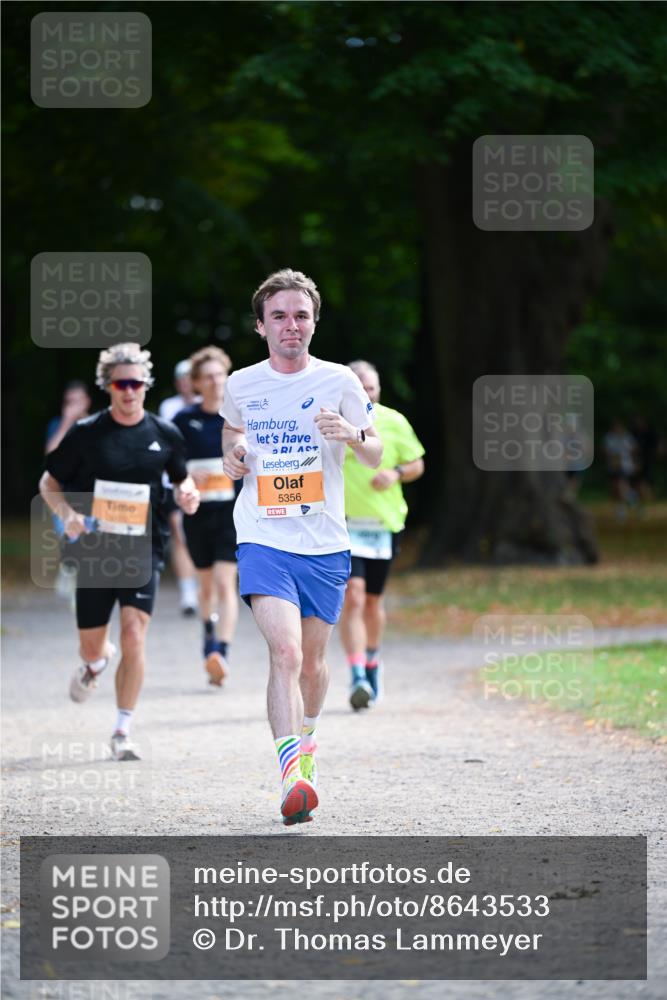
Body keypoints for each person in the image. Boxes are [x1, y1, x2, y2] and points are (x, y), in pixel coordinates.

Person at [221, 269, 382, 825]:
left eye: (301, 315)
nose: (292, 325)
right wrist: (234, 453)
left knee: (313, 664)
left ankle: (307, 746)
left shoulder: (341, 380)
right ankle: (290, 774)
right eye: (280, 316)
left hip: (324, 541)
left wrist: (352, 433)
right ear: (261, 326)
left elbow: (377, 453)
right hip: (263, 534)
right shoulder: (241, 383)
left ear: (314, 322)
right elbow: (231, 432)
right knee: (285, 652)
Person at [39, 343, 199, 761]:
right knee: (93, 647)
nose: (129, 391)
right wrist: (68, 515)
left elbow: (181, 480)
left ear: (146, 385)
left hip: (143, 547)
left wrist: (187, 493)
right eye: (120, 383)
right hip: (94, 550)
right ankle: (95, 663)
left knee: (133, 633)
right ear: (108, 386)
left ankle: (123, 727)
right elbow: (49, 484)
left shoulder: (166, 434)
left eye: (135, 383)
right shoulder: (87, 433)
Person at [340, 361, 425, 709]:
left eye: (371, 388)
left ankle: (373, 662)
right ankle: (357, 673)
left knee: (373, 601)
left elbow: (418, 464)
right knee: (354, 596)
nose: (366, 394)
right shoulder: (332, 422)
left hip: (385, 525)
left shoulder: (394, 421)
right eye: (360, 388)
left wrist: (395, 472)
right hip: (344, 525)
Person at [173, 346, 239, 686]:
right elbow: (171, 470)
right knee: (206, 587)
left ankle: (220, 652)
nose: (216, 382)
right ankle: (209, 636)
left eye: (220, 375)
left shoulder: (239, 418)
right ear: (196, 383)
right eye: (209, 377)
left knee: (227, 584)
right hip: (197, 513)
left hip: (231, 513)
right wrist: (186, 478)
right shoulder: (184, 421)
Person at [160, 359, 200, 615]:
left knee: (201, 534)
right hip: (175, 477)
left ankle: (204, 587)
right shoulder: (170, 407)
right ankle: (188, 593)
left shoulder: (209, 405)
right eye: (182, 379)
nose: (186, 383)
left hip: (208, 479)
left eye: (190, 378)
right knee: (179, 533)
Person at [603, 419, 639, 521]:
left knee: (620, 486)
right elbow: (606, 452)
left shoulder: (626, 437)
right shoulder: (609, 438)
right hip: (613, 467)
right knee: (618, 488)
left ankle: (621, 510)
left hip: (625, 467)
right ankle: (634, 502)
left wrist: (634, 462)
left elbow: (634, 449)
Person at [45, 381, 91, 454]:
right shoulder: (56, 423)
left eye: (77, 401)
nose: (74, 406)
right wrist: (66, 422)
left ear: (87, 402)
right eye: (70, 402)